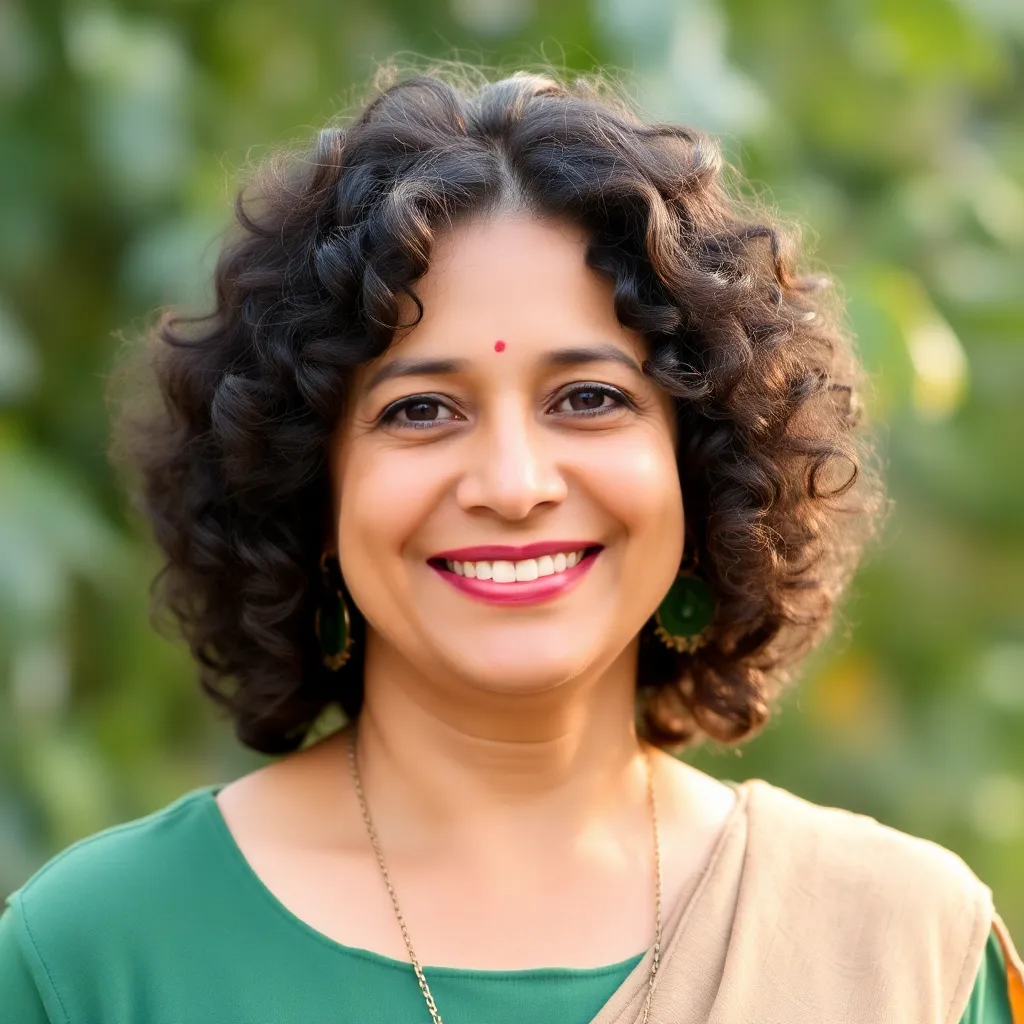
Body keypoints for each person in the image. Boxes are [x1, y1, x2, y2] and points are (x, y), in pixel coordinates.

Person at [1, 61, 1020, 1024]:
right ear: (309, 489)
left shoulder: (899, 950)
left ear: (700, 470)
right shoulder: (99, 953)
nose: (514, 485)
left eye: (588, 398)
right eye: (422, 411)